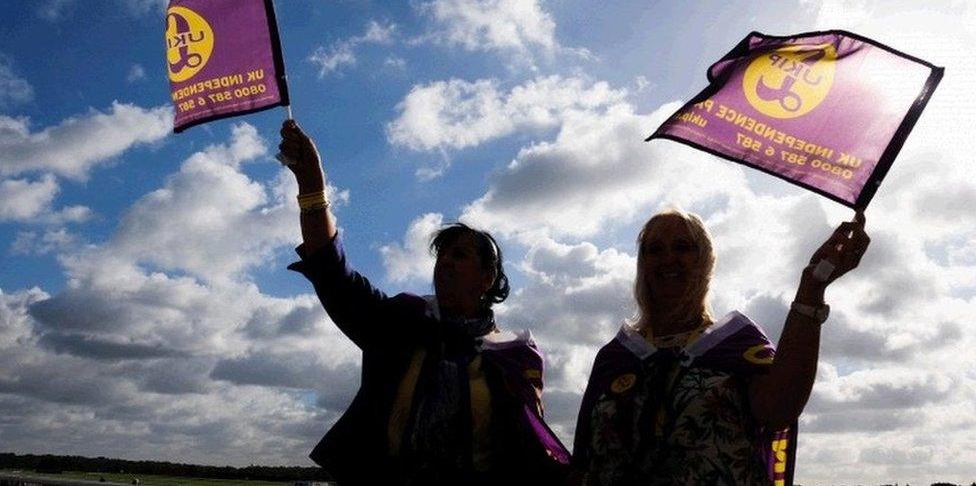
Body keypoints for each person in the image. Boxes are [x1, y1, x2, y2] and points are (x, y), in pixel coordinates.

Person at [278, 119, 571, 486]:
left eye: (460, 255)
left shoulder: (516, 356)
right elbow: (335, 273)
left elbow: (529, 451)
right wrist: (311, 187)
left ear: (488, 277)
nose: (445, 261)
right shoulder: (402, 321)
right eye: (442, 255)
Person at [572, 208, 869, 485]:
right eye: (655, 249)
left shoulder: (736, 343)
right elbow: (584, 460)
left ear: (704, 261)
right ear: (643, 263)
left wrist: (811, 288)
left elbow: (779, 409)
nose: (668, 258)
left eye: (682, 247)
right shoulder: (616, 357)